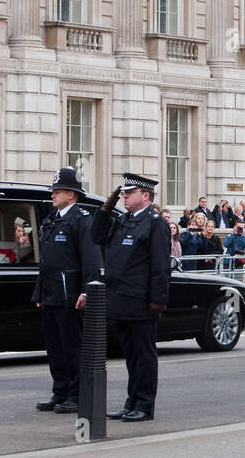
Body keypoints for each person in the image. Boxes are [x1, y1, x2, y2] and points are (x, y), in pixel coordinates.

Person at [91, 173, 171, 422]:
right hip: (121, 299)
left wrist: (157, 301)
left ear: (145, 195)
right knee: (131, 356)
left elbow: (160, 267)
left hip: (141, 301)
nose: (124, 196)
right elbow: (97, 236)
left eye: (129, 192)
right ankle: (131, 402)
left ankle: (144, 404)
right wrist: (106, 207)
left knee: (144, 356)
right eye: (123, 193)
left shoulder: (155, 223)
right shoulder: (123, 220)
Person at [32, 167, 101, 414]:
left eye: (57, 191)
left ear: (71, 194)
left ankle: (75, 394)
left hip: (69, 295)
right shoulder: (53, 219)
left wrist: (86, 291)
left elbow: (90, 260)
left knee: (72, 347)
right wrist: (39, 293)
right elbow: (46, 263)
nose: (53, 194)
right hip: (51, 292)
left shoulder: (81, 220)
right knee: (55, 348)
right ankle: (59, 391)